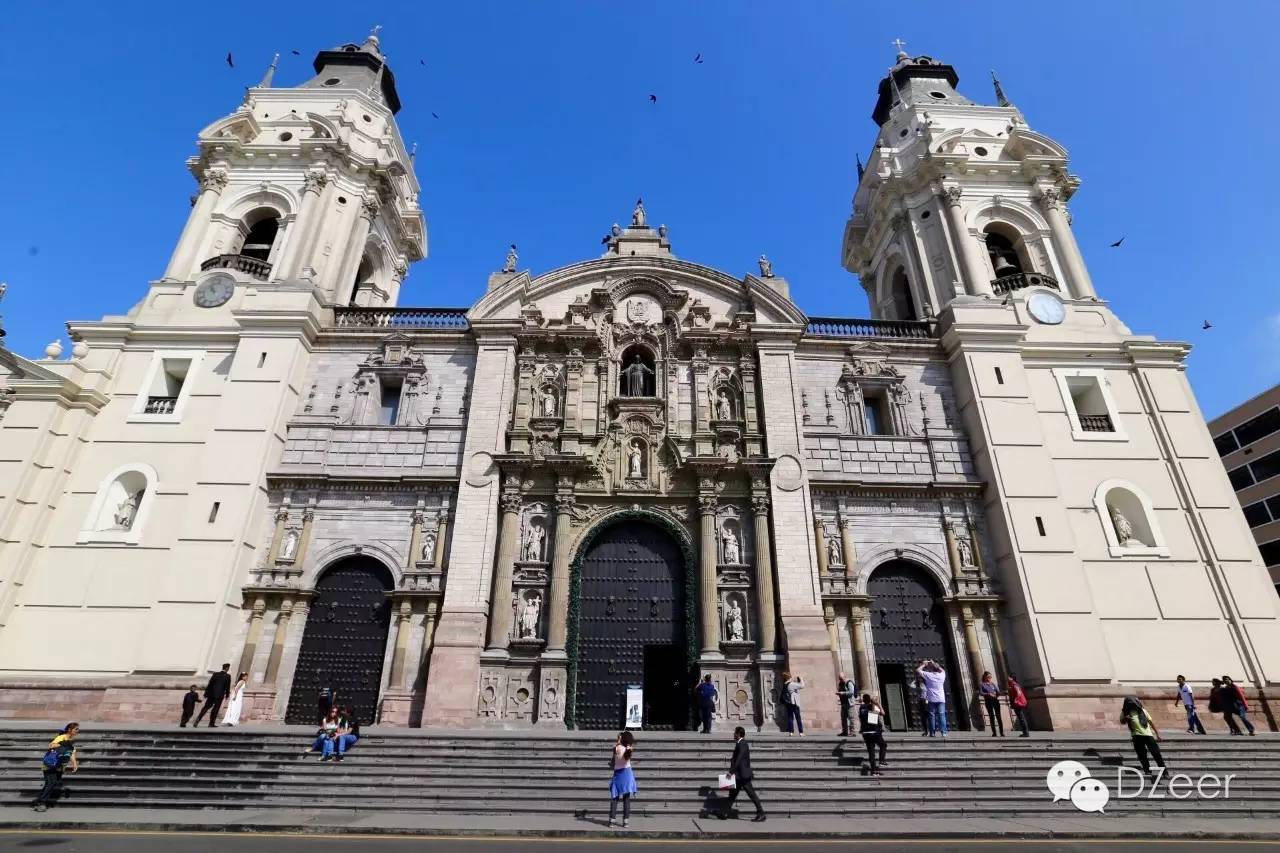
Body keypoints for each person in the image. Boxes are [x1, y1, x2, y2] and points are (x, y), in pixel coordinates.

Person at [715, 726, 765, 822]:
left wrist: (731, 771)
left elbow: (739, 759)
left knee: (752, 795)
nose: (733, 734)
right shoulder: (740, 743)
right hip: (738, 776)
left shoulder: (742, 744)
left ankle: (761, 813)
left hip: (743, 776)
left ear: (738, 734)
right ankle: (724, 813)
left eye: (735, 733)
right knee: (732, 795)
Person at [33, 723, 79, 812]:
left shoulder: (71, 740)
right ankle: (41, 803)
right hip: (50, 764)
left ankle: (39, 801)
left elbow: (72, 753)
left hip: (59, 766)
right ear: (69, 729)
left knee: (50, 783)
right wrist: (59, 745)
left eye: (77, 729)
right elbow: (51, 745)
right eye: (76, 729)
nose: (78, 731)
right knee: (51, 782)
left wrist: (75, 764)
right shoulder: (62, 737)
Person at [1120, 696, 1165, 776]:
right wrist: (1126, 718)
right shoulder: (1125, 712)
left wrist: (1157, 734)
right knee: (1142, 755)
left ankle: (1164, 772)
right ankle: (1147, 771)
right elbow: (1122, 721)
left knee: (1156, 753)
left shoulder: (1143, 710)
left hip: (1148, 735)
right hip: (1136, 735)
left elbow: (1151, 722)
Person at [608, 731, 637, 828]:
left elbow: (613, 758)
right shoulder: (628, 750)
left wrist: (618, 741)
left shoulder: (616, 748)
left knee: (614, 798)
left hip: (618, 775)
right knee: (626, 799)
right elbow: (626, 754)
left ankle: (612, 820)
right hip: (627, 775)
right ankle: (626, 821)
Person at [192, 663, 232, 728]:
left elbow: (210, 684)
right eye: (228, 668)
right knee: (215, 709)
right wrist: (227, 694)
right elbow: (227, 686)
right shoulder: (228, 676)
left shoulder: (215, 674)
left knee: (206, 707)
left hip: (211, 694)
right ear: (227, 668)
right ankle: (211, 723)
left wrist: (206, 693)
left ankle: (198, 718)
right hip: (219, 695)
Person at [916, 659, 948, 738]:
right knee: (942, 715)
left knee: (932, 715)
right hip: (941, 699)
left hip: (931, 699)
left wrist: (924, 664)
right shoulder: (942, 675)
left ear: (931, 669)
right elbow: (942, 670)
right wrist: (934, 664)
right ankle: (943, 732)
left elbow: (918, 670)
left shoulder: (929, 675)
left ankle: (932, 733)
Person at [859, 694, 888, 775]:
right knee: (883, 745)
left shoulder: (861, 708)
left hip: (865, 732)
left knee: (871, 752)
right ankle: (881, 761)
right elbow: (883, 713)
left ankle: (873, 770)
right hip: (874, 732)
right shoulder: (873, 707)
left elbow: (862, 718)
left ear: (863, 700)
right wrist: (878, 704)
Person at [979, 672, 1003, 737]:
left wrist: (997, 694)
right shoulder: (982, 684)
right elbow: (981, 693)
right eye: (988, 677)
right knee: (991, 716)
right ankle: (994, 733)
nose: (990, 678)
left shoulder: (993, 684)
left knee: (998, 716)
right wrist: (988, 694)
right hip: (988, 702)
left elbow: (998, 692)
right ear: (985, 677)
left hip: (995, 701)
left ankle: (1001, 732)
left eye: (990, 677)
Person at [836, 672, 857, 737]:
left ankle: (852, 732)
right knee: (843, 718)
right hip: (843, 703)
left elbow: (851, 692)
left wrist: (842, 693)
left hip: (850, 703)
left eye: (841, 678)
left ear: (845, 677)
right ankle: (845, 732)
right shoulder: (840, 683)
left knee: (851, 718)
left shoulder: (849, 683)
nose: (840, 680)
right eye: (839, 679)